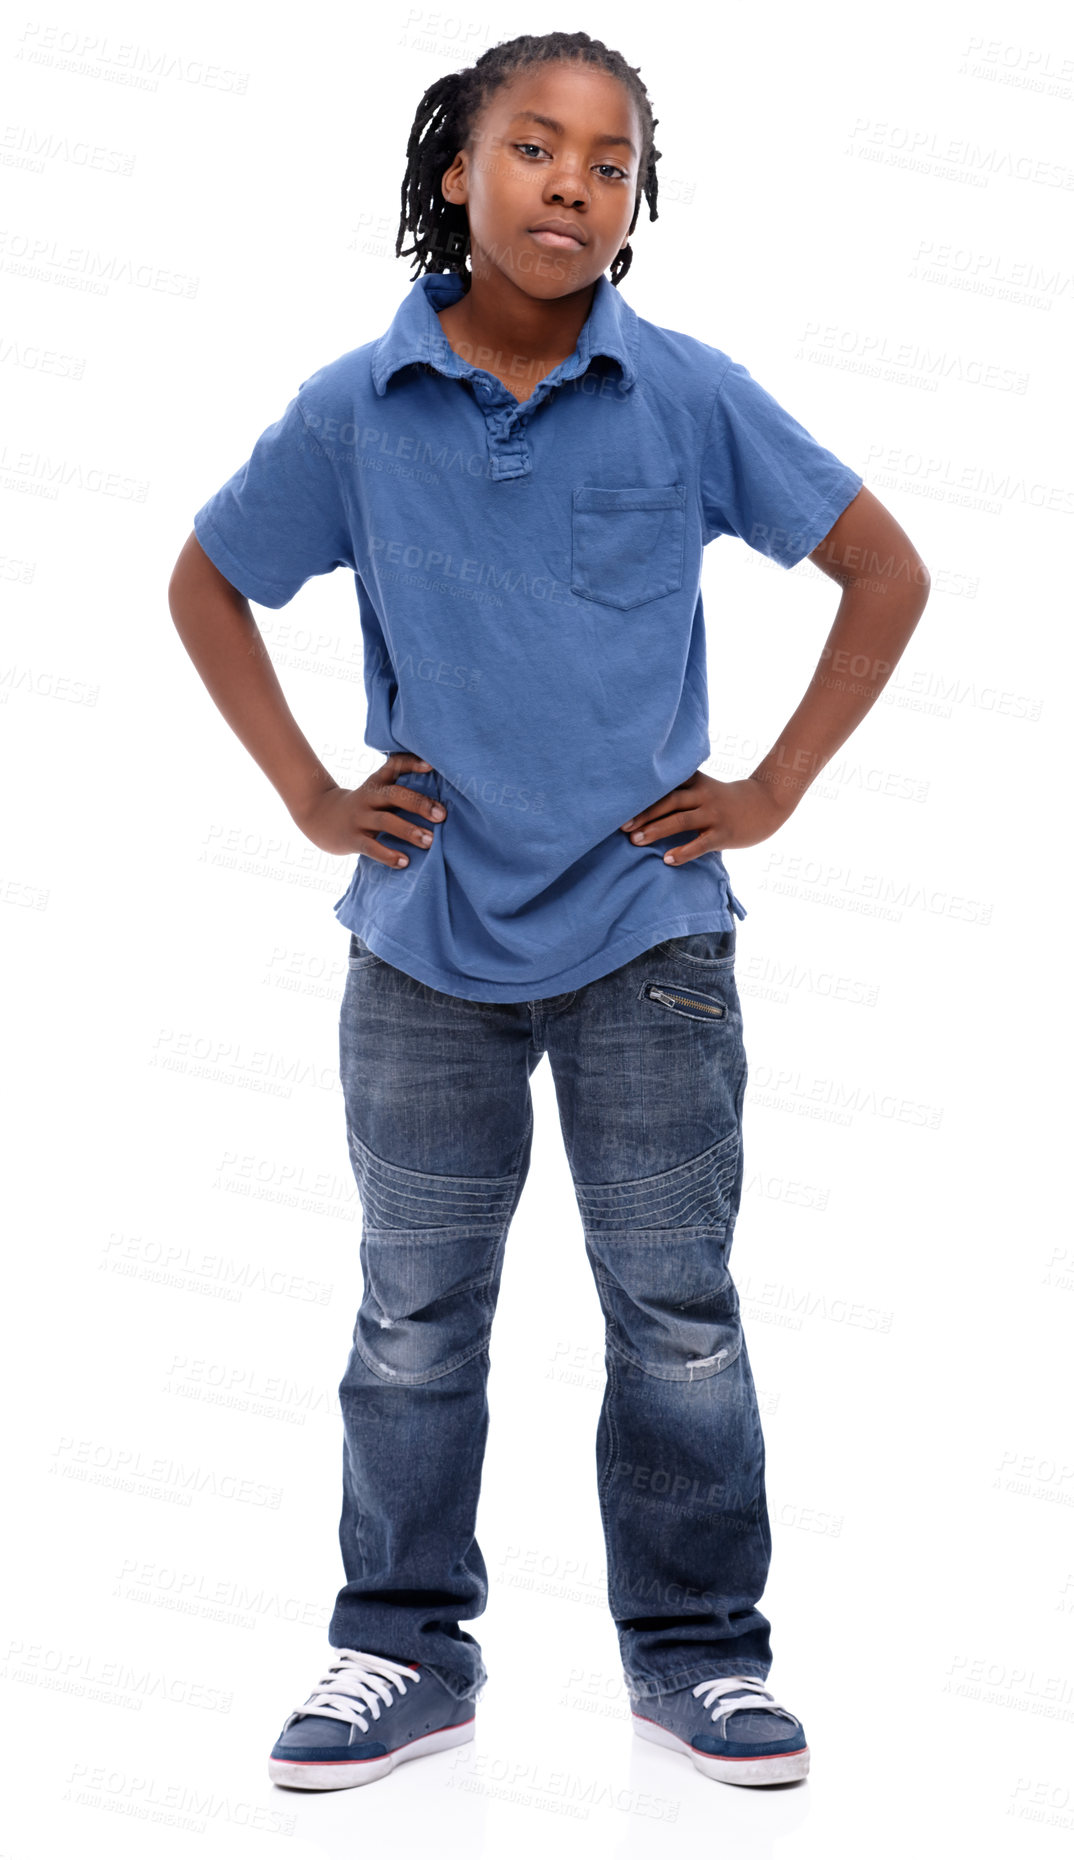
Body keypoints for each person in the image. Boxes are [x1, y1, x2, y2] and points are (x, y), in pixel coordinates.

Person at [168, 29, 929, 1795]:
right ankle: (398, 1646)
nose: (569, 183)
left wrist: (771, 789)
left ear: (634, 201)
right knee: (412, 1314)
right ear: (457, 168)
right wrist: (306, 791)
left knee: (675, 1313)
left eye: (607, 161)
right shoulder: (356, 410)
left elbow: (881, 567)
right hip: (422, 945)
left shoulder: (685, 395)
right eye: (532, 146)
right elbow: (208, 579)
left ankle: (698, 1657)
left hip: (649, 944)